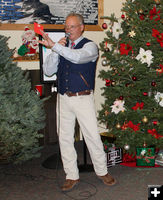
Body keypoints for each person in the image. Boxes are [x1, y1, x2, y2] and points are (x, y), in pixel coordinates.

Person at [39, 12, 116, 191]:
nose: (68, 30)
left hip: (83, 98)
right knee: (64, 137)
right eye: (66, 27)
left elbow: (78, 57)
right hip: (64, 97)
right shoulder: (61, 46)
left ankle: (102, 171)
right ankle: (71, 175)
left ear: (81, 27)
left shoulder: (90, 47)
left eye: (72, 26)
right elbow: (49, 70)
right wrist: (54, 50)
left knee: (92, 136)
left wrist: (58, 48)